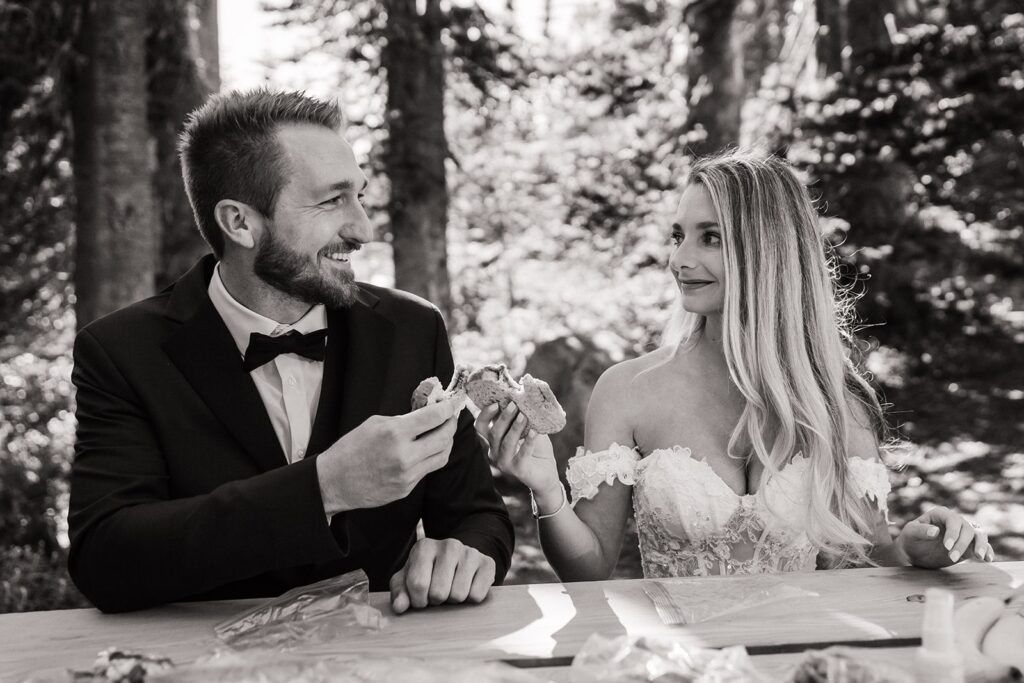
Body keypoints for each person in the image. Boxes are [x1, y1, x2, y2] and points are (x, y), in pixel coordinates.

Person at [68, 89, 514, 613]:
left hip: (384, 657)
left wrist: (466, 553)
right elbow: (106, 558)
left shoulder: (412, 330)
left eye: (360, 197)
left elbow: (477, 515)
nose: (362, 229)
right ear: (240, 223)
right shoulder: (121, 351)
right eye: (331, 201)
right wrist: (322, 488)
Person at [478, 149, 993, 580]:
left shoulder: (837, 403)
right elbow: (589, 568)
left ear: (767, 251)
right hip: (682, 665)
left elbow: (868, 558)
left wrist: (913, 550)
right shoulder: (627, 390)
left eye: (711, 237)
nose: (680, 260)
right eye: (678, 236)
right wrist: (545, 488)